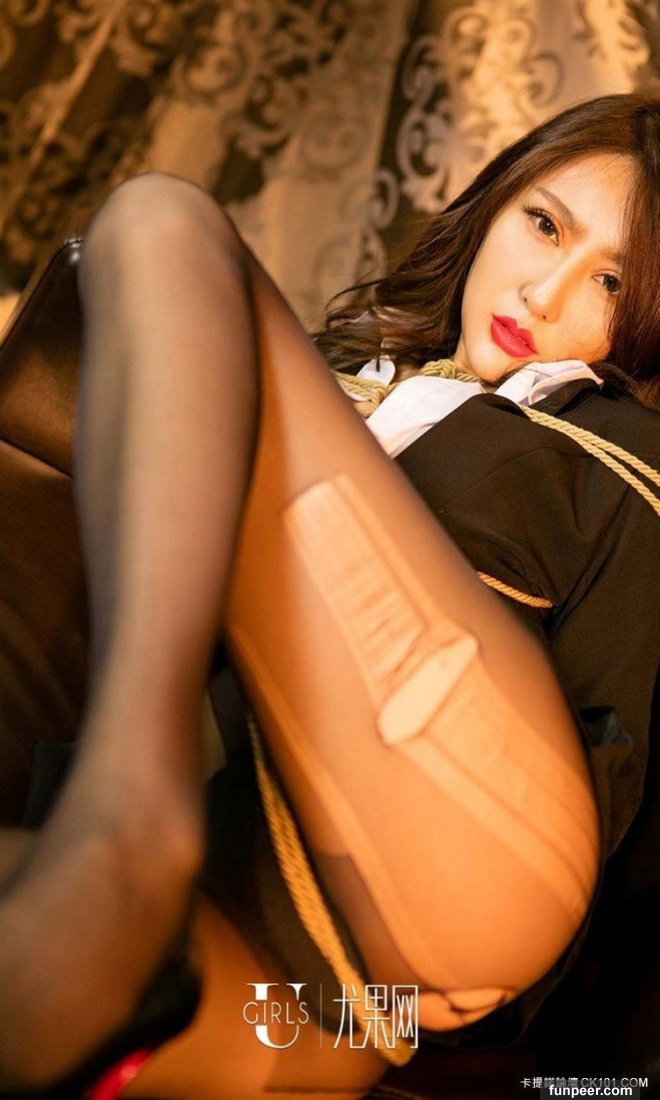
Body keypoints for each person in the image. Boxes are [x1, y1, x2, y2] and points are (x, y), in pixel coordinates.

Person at [0, 91, 658, 1100]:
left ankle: (131, 811)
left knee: (162, 220)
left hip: (488, 846)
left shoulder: (622, 453)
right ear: (495, 200)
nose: (545, 292)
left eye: (611, 279)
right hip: (324, 990)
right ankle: (127, 862)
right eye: (544, 224)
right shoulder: (332, 379)